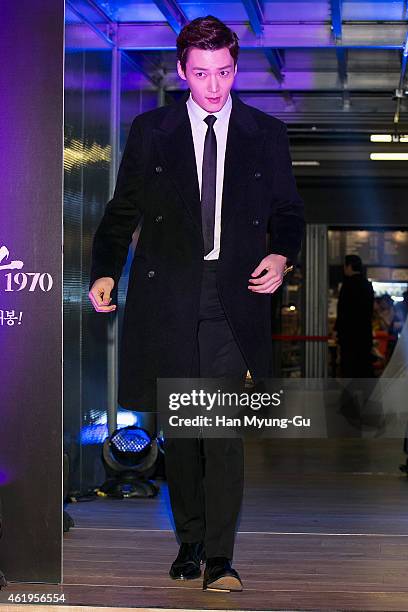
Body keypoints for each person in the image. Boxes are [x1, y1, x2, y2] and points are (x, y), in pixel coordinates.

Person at [88, 15, 304, 592]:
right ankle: (189, 540)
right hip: (170, 296)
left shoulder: (266, 133)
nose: (215, 86)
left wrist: (282, 256)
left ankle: (219, 558)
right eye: (203, 73)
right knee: (184, 433)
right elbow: (121, 210)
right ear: (183, 69)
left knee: (222, 429)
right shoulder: (151, 130)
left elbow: (288, 214)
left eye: (226, 72)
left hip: (234, 298)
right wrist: (105, 271)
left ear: (236, 68)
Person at [335, 254, 374, 377]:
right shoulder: (368, 285)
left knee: (349, 368)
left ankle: (349, 395)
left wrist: (337, 330)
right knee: (364, 367)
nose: (344, 269)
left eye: (345, 266)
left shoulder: (347, 285)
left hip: (349, 335)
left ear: (349, 266)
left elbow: (342, 311)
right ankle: (367, 395)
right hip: (365, 334)